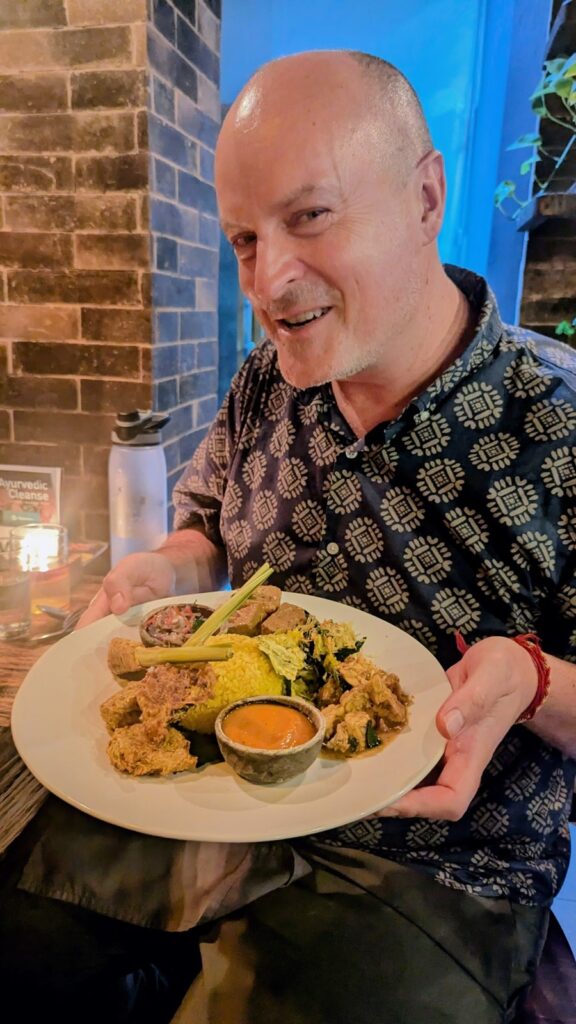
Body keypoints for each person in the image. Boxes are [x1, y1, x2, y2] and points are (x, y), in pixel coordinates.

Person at [3, 50, 576, 1023]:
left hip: (435, 857)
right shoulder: (265, 381)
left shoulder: (557, 416)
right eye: (242, 239)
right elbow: (207, 536)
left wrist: (529, 678)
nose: (268, 281)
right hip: (202, 788)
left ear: (427, 196)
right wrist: (161, 568)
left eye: (309, 217)